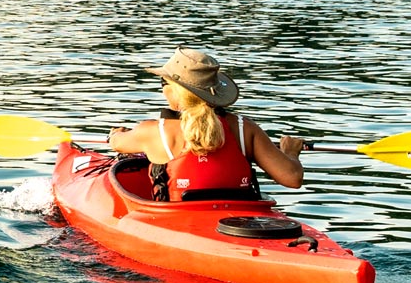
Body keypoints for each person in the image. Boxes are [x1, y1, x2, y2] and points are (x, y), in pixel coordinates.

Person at [109, 48, 309, 202]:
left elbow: (117, 143)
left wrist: (117, 133)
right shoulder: (244, 128)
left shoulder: (153, 132)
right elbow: (292, 178)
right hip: (240, 221)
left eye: (163, 82)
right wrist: (290, 152)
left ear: (172, 91)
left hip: (179, 224)